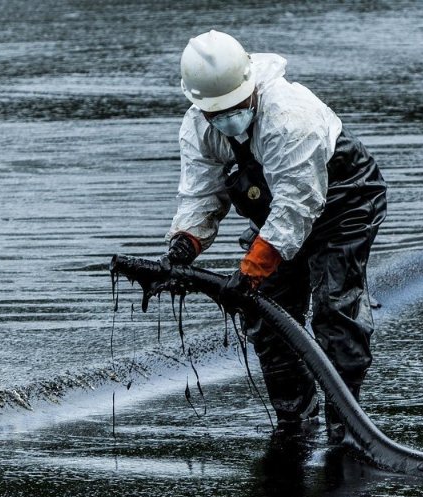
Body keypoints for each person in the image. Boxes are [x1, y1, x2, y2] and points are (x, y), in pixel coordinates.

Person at [162, 30, 387, 440]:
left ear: (250, 90)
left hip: (343, 201)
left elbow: (297, 205)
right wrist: (184, 244)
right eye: (216, 112)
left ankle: (347, 425)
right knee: (266, 317)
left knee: (334, 310)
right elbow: (201, 191)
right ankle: (295, 422)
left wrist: (252, 269)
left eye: (235, 107)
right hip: (276, 208)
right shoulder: (199, 126)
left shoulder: (288, 116)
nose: (227, 118)